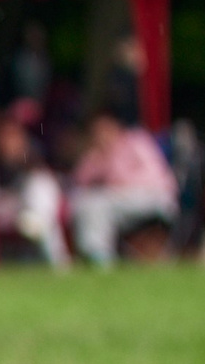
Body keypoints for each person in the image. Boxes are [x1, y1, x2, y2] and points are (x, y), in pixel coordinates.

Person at [68, 111, 177, 266]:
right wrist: (97, 156)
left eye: (104, 129)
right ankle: (96, 254)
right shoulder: (100, 154)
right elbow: (80, 179)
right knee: (86, 203)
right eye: (96, 132)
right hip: (119, 203)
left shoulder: (135, 141)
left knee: (97, 205)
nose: (101, 135)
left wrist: (118, 181)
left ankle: (99, 256)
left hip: (153, 197)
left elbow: (156, 176)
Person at [0, 105, 67, 268]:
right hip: (4, 206)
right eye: (7, 136)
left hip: (32, 207)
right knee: (38, 218)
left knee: (41, 185)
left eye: (15, 135)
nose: (11, 141)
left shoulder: (31, 156)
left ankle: (37, 225)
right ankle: (59, 262)